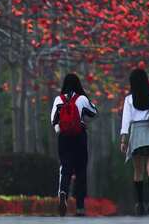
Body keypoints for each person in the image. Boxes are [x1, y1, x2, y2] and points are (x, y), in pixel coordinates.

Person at [120, 68, 149, 216]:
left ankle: (139, 203)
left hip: (137, 134)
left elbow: (126, 120)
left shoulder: (129, 99)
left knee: (138, 171)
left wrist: (123, 139)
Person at [50, 73, 97, 217]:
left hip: (64, 138)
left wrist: (60, 130)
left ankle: (63, 191)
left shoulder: (59, 99)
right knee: (81, 170)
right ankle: (80, 207)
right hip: (79, 137)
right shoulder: (82, 98)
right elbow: (94, 112)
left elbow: (53, 120)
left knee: (66, 168)